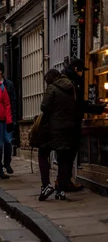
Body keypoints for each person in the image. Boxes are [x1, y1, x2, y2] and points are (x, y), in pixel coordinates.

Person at [38, 69, 78, 201]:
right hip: (69, 128)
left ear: (50, 79)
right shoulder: (71, 87)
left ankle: (46, 185)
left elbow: (44, 107)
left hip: (52, 128)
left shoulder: (52, 88)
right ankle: (60, 190)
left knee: (43, 153)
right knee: (64, 159)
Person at [61, 57, 88, 191]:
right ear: (76, 69)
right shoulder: (72, 84)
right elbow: (78, 105)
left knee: (65, 155)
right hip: (71, 124)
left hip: (63, 124)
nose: (82, 74)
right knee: (69, 154)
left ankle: (63, 182)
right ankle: (64, 183)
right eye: (81, 71)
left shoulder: (64, 81)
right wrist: (98, 108)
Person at [0, 62, 17, 175]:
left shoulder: (9, 84)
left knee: (8, 141)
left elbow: (13, 102)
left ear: (1, 72)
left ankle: (7, 162)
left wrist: (13, 119)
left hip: (7, 118)